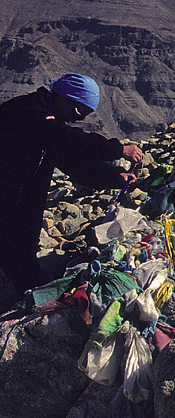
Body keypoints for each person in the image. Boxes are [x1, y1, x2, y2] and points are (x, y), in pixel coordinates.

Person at [0, 73, 143, 310]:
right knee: (17, 256)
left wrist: (113, 177)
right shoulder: (27, 111)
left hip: (23, 199)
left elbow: (73, 163)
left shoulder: (50, 121)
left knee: (22, 251)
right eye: (78, 113)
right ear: (64, 99)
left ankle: (28, 293)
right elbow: (67, 140)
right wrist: (117, 149)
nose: (77, 120)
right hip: (7, 198)